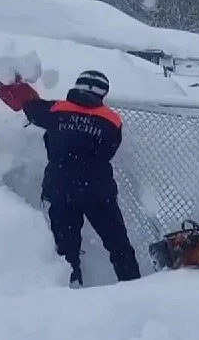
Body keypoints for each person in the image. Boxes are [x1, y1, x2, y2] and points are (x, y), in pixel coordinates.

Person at [21, 70, 141, 288]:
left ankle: (71, 292)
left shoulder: (55, 109)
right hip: (98, 191)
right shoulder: (112, 121)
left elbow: (29, 107)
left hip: (60, 188)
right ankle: (134, 288)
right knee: (118, 245)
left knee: (67, 249)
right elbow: (109, 150)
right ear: (102, 93)